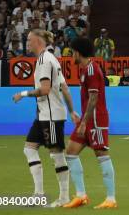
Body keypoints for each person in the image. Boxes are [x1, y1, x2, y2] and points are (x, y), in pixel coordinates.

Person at [12, 29, 79, 207]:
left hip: (51, 116)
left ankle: (64, 196)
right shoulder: (52, 58)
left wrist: (23, 94)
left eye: (29, 39)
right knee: (29, 148)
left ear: (38, 41)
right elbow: (64, 87)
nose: (27, 43)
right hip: (45, 114)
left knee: (56, 154)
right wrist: (71, 110)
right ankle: (38, 194)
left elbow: (45, 90)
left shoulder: (43, 60)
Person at [63, 37, 117, 209]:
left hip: (95, 120)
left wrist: (85, 122)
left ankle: (111, 199)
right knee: (70, 151)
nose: (71, 55)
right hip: (88, 119)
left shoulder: (92, 70)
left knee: (102, 155)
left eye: (72, 52)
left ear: (78, 52)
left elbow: (94, 97)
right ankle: (81, 195)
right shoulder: (86, 69)